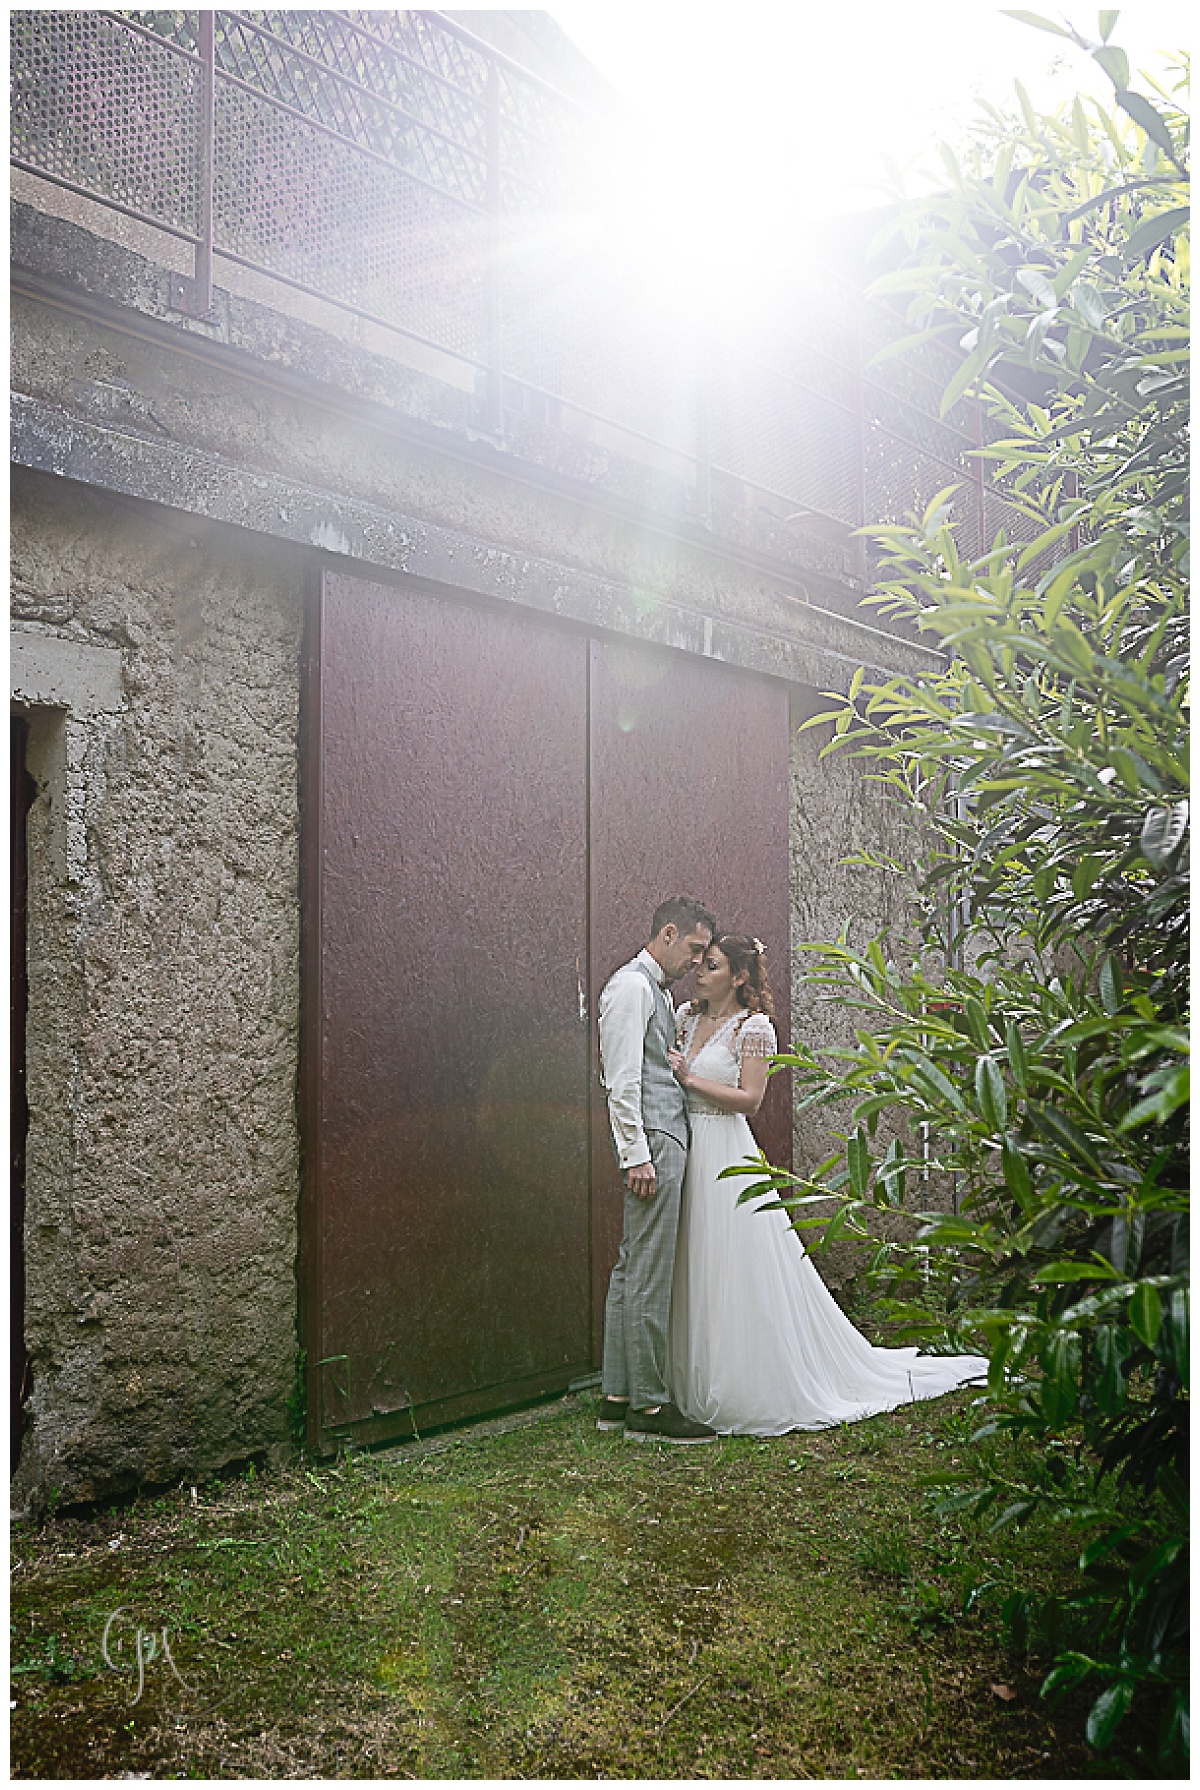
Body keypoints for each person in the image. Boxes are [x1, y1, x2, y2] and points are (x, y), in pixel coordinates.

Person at [666, 932, 988, 1434]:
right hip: (683, 1147)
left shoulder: (754, 1029)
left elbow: (750, 1099)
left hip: (723, 1147)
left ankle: (740, 1378)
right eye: (700, 964)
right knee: (689, 1256)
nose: (699, 972)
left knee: (728, 1259)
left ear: (739, 975)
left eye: (711, 965)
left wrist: (690, 1079)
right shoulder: (684, 1017)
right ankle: (680, 1376)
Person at [597, 896, 720, 1444]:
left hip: (656, 1142)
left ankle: (617, 1396)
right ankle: (648, 1408)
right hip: (655, 1145)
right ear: (667, 934)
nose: (696, 964)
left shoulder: (653, 992)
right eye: (694, 951)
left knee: (631, 1268)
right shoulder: (631, 988)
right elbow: (621, 1080)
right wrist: (636, 1154)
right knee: (649, 1271)